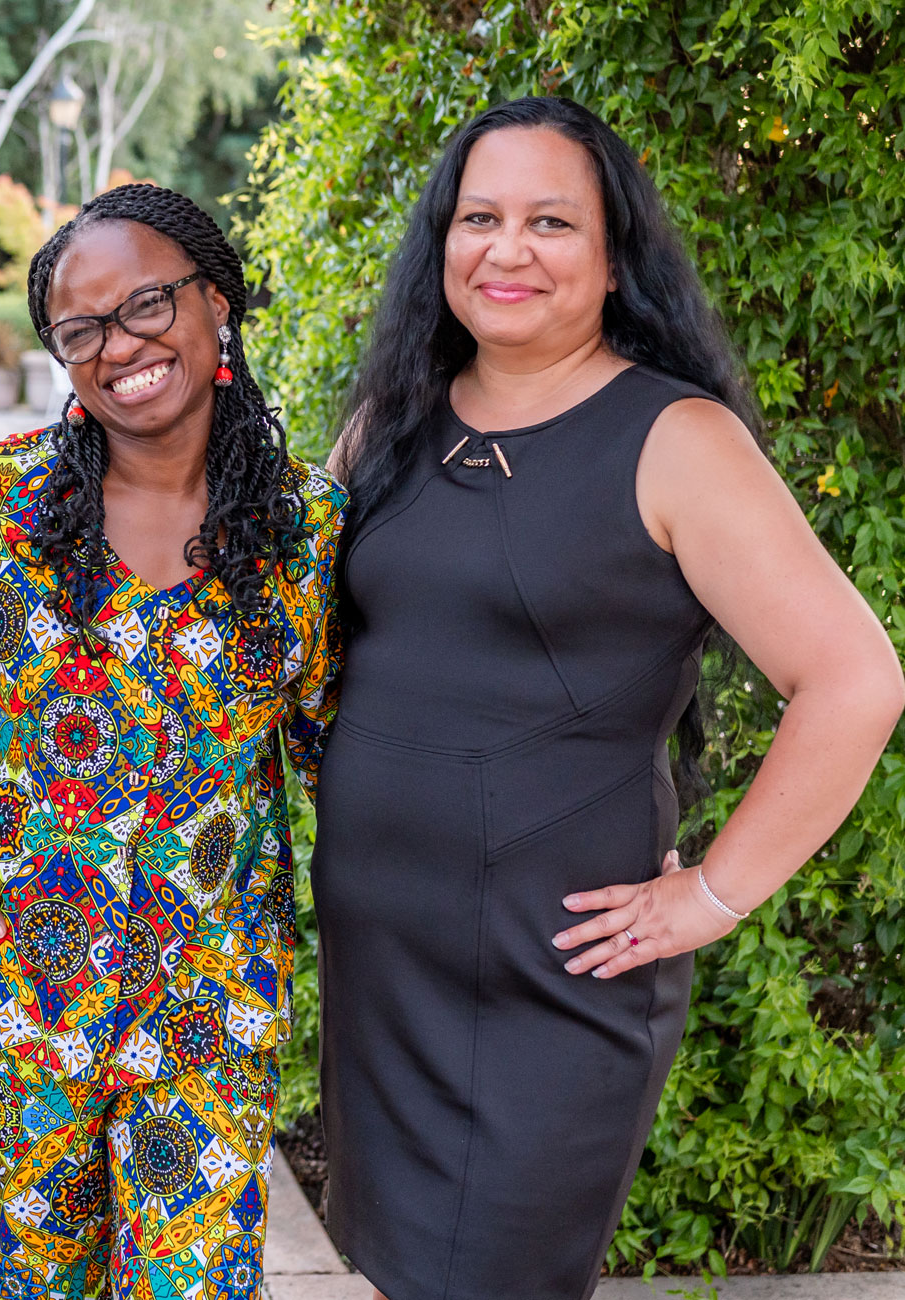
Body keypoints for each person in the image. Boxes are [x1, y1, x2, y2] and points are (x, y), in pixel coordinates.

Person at [312, 96, 904, 1300]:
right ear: (441, 243)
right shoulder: (388, 424)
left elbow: (853, 680)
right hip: (380, 973)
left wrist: (714, 893)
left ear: (612, 256)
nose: (507, 249)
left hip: (547, 984)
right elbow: (302, 651)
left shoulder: (675, 439)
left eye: (549, 222)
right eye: (478, 217)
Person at [0, 184, 344, 1300]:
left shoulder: (306, 529)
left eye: (144, 306)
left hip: (210, 994)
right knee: (40, 1284)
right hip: (15, 982)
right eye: (79, 329)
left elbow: (342, 738)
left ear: (215, 301)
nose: (118, 346)